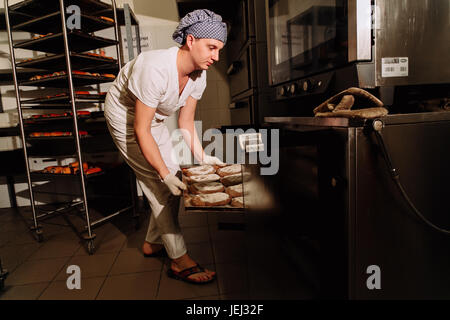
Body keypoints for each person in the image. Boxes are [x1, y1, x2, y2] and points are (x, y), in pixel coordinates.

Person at [104, 9, 227, 284]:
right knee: (160, 185)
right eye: (212, 47)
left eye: (219, 50)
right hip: (125, 117)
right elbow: (140, 129)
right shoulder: (155, 68)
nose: (216, 57)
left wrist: (204, 157)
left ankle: (152, 243)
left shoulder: (199, 75)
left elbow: (185, 122)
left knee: (176, 176)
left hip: (151, 120)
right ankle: (179, 259)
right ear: (191, 40)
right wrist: (163, 173)